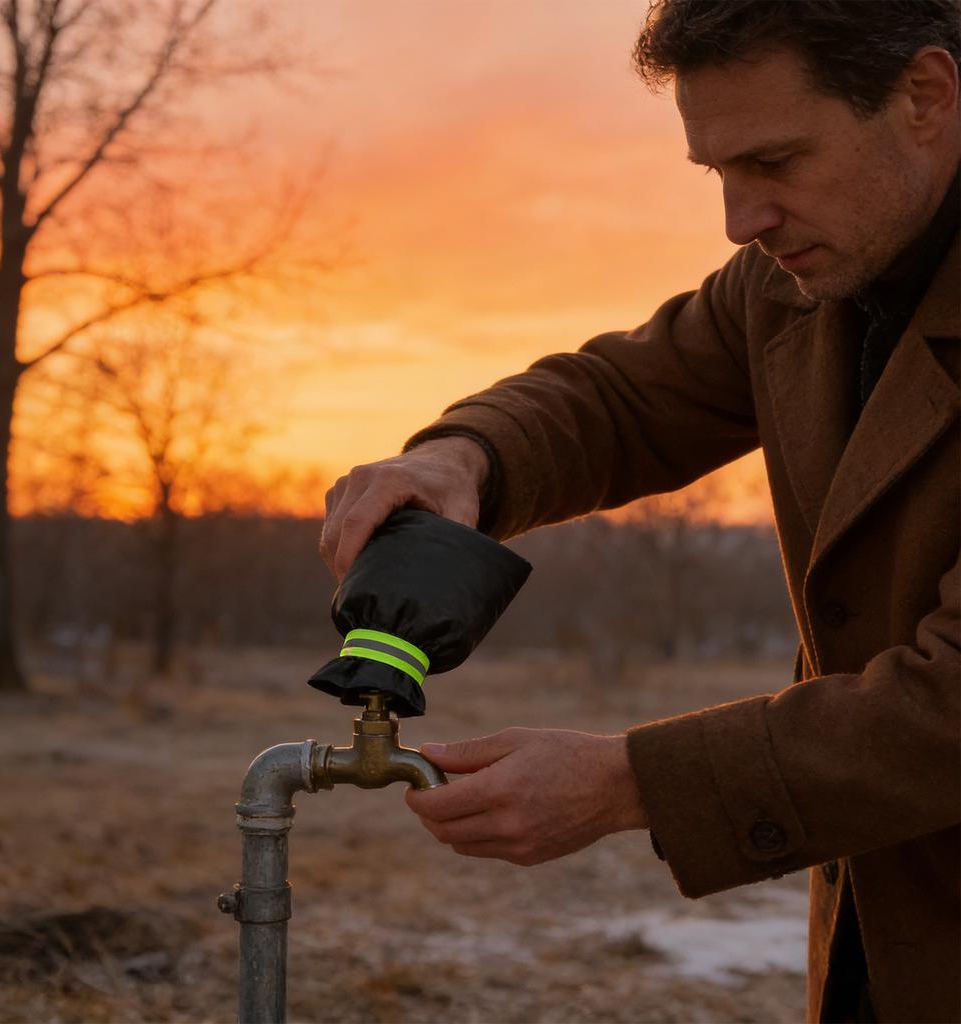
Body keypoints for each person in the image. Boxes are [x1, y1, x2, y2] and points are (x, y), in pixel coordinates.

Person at [319, 3, 960, 1021]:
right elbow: (626, 397)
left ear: (925, 96)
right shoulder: (801, 278)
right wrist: (462, 457)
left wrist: (631, 783)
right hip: (889, 933)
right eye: (718, 173)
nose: (740, 220)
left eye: (776, 161)